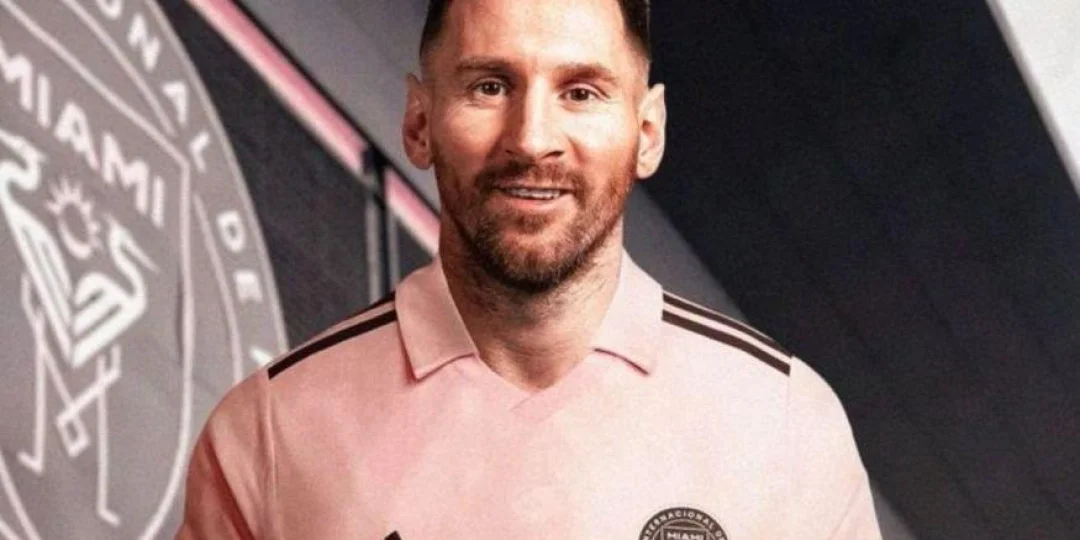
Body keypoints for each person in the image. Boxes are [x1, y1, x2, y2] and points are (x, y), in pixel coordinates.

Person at [177, 0, 882, 538]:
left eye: (581, 92)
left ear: (647, 132)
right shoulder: (269, 433)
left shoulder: (784, 422)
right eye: (490, 86)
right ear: (419, 123)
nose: (533, 139)